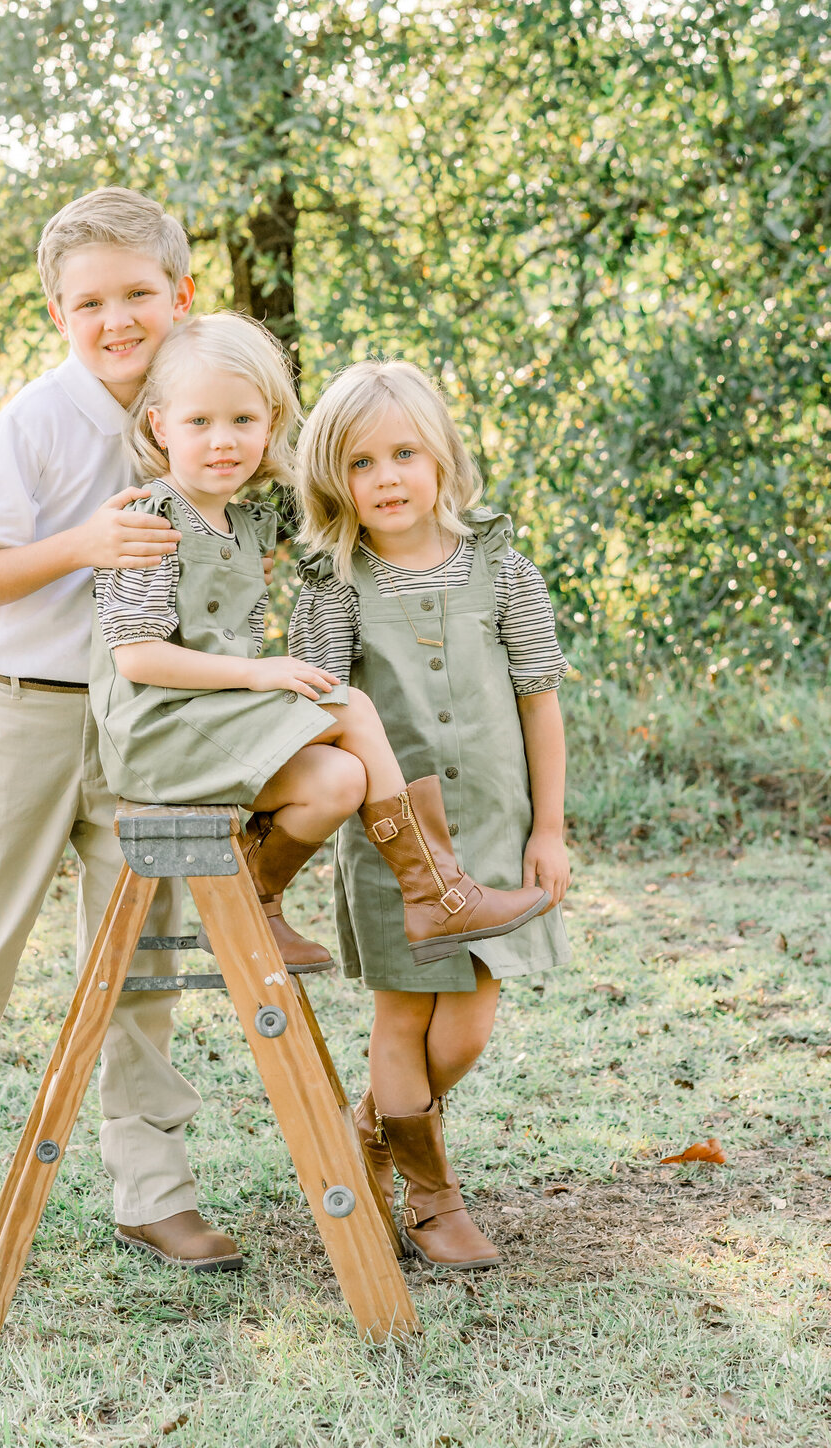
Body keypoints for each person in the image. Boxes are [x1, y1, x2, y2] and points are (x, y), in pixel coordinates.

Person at [0, 187, 248, 1278]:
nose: (118, 318)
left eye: (139, 293)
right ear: (60, 313)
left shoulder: (207, 409)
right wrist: (84, 542)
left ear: (183, 294)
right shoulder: (37, 419)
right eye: (92, 301)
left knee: (141, 955)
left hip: (150, 723)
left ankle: (154, 1191)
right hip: (20, 710)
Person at [90, 313, 545, 981]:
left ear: (270, 426)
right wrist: (258, 675)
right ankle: (438, 894)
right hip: (161, 731)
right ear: (160, 426)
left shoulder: (241, 524)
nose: (224, 441)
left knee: (341, 780)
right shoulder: (147, 519)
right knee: (352, 708)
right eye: (200, 423)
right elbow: (136, 658)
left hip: (209, 725)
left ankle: (259, 896)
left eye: (244, 421)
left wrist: (256, 677)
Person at [290, 359, 572, 1271]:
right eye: (362, 464)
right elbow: (319, 704)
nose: (388, 479)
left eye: (404, 453)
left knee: (468, 1023)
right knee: (405, 1015)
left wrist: (550, 828)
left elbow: (539, 697)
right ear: (335, 482)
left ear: (442, 456)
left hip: (491, 831)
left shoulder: (503, 568)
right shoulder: (334, 585)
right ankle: (432, 1199)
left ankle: (371, 1125)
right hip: (395, 846)